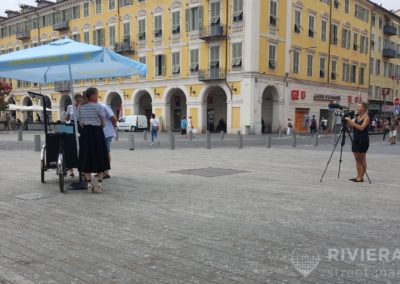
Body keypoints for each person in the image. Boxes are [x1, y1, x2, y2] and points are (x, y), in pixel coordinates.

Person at [78, 87, 110, 193]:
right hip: (97, 133)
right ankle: (100, 185)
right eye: (97, 94)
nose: (98, 96)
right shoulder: (98, 107)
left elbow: (80, 123)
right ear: (92, 96)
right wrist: (97, 129)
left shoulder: (80, 107)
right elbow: (103, 123)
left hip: (86, 133)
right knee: (100, 156)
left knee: (87, 156)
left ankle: (89, 185)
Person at [345, 102, 370, 182]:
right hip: (355, 139)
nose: (358, 107)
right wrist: (348, 121)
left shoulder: (366, 117)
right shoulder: (356, 117)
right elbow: (351, 127)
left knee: (362, 159)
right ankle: (358, 176)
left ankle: (361, 177)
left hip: (363, 140)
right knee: (357, 159)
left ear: (364, 108)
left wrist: (352, 122)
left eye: (359, 106)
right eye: (357, 106)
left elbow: (362, 128)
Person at [64, 94, 83, 177]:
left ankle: (82, 170)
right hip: (71, 125)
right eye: (77, 100)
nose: (78, 102)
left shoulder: (83, 107)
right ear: (74, 100)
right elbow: (67, 118)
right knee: (70, 146)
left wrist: (79, 107)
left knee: (81, 147)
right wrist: (65, 116)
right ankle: (70, 169)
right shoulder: (70, 107)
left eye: (80, 100)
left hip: (80, 126)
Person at [101, 104, 117, 179]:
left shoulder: (104, 107)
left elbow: (114, 119)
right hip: (101, 133)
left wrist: (113, 128)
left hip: (107, 133)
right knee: (102, 152)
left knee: (107, 151)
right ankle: (102, 171)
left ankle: (106, 172)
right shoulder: (96, 107)